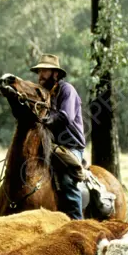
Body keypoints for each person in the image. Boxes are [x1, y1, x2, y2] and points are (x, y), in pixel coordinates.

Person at [31, 53, 86, 220]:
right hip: (50, 146)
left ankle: (78, 223)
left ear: (56, 74)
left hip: (70, 146)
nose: (40, 75)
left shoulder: (67, 90)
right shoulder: (44, 94)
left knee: (68, 181)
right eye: (39, 71)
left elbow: (64, 117)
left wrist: (44, 119)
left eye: (45, 71)